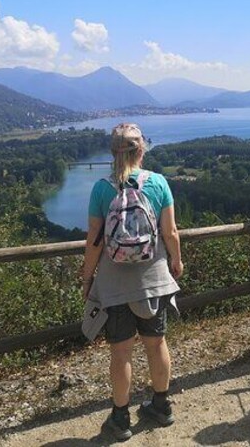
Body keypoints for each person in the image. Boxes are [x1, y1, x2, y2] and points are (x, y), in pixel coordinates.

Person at [80, 123, 184, 440]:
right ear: (142, 150)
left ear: (113, 153)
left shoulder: (101, 189)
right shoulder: (159, 183)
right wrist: (176, 262)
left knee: (121, 353)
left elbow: (94, 242)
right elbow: (171, 233)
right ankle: (161, 406)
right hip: (153, 280)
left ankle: (121, 418)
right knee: (156, 344)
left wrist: (87, 279)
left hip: (114, 286)